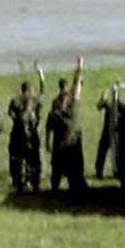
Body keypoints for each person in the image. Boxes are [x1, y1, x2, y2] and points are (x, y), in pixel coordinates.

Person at [45, 59, 87, 194]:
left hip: (68, 146)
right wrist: (79, 66)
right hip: (65, 146)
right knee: (60, 172)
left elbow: (76, 85)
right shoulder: (66, 109)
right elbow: (48, 127)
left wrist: (79, 67)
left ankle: (72, 190)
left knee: (72, 173)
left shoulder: (65, 108)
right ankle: (59, 190)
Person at [7, 70, 45, 192]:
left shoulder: (15, 100)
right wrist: (41, 75)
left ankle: (19, 182)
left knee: (17, 159)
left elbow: (10, 114)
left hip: (17, 135)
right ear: (30, 90)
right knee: (33, 160)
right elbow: (43, 91)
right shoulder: (35, 100)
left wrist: (18, 121)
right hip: (32, 134)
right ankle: (34, 183)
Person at [94, 81, 121, 180]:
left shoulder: (119, 105)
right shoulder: (109, 104)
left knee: (117, 154)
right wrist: (103, 98)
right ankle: (99, 171)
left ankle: (117, 171)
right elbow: (98, 106)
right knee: (102, 152)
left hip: (115, 133)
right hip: (107, 131)